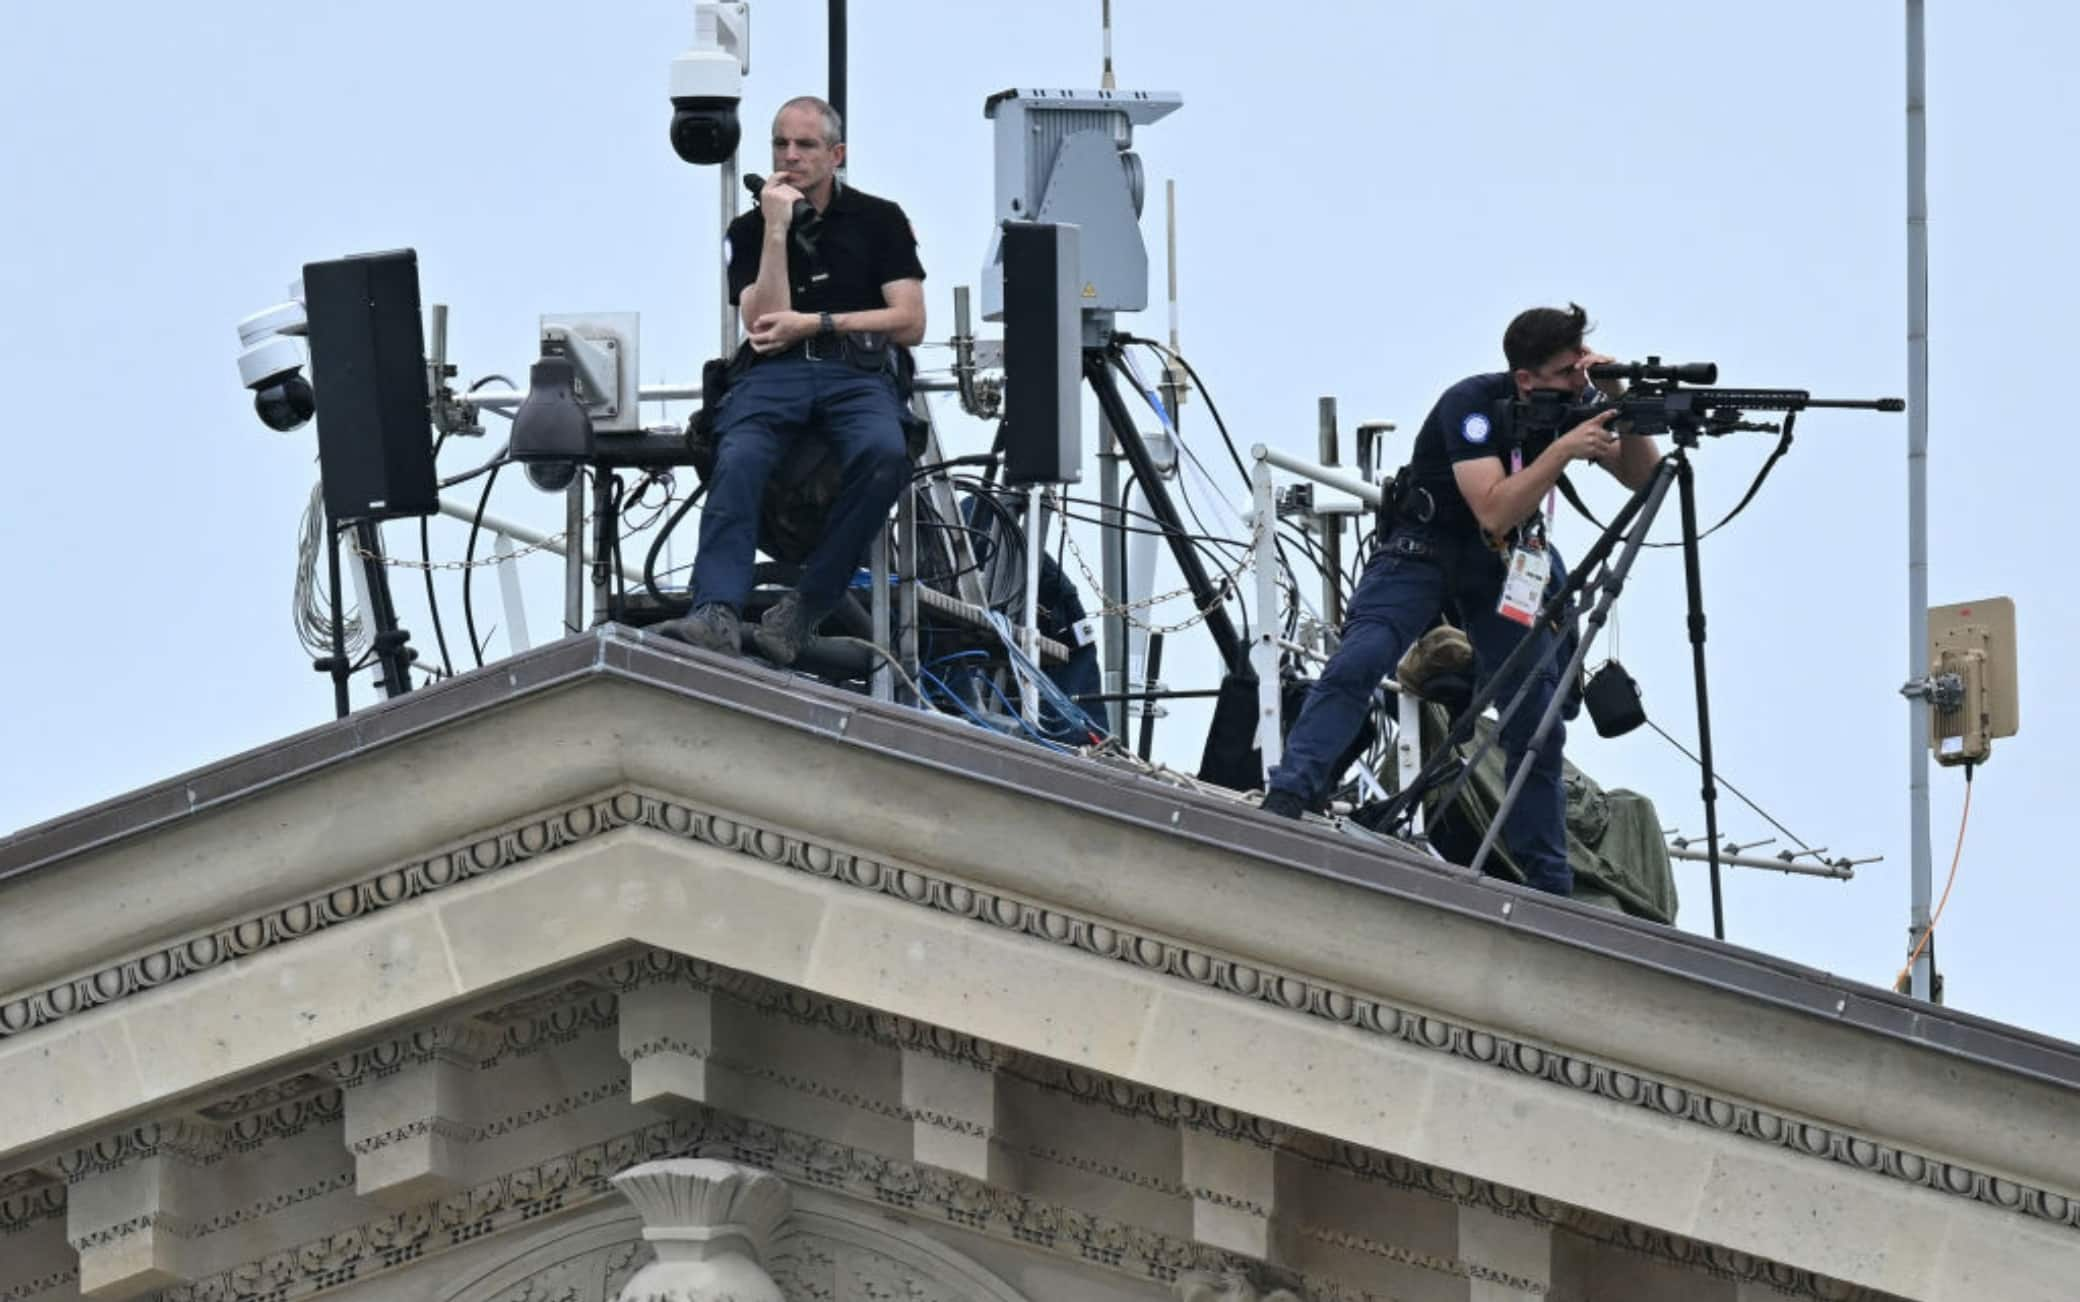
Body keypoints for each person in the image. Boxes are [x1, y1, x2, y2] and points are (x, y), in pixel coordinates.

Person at [1259, 304, 1659, 897]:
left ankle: (1549, 884)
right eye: (1567, 371)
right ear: (1526, 379)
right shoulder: (1471, 405)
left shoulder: (1580, 403)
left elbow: (1643, 479)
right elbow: (1494, 506)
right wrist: (1564, 449)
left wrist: (1619, 398)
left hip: (1501, 562)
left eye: (1583, 368)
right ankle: (1290, 794)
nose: (1579, 381)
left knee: (1536, 717)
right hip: (1426, 546)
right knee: (1363, 658)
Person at [659, 95, 926, 665]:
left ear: (837, 154)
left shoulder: (879, 219)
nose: (791, 155)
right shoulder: (749, 227)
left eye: (805, 145)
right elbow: (760, 322)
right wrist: (777, 228)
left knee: (884, 452)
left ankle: (805, 609)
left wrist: (819, 322)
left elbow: (910, 320)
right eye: (781, 143)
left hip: (856, 370)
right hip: (775, 372)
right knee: (740, 452)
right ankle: (716, 612)